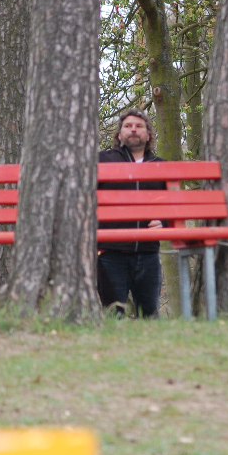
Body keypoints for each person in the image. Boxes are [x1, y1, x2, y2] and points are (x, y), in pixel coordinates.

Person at [97, 109, 165, 317]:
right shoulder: (103, 161)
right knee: (113, 314)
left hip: (148, 253)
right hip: (110, 252)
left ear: (148, 134)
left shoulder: (161, 166)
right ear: (119, 135)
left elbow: (172, 206)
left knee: (150, 314)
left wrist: (164, 222)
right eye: (128, 126)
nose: (133, 129)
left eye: (139, 126)